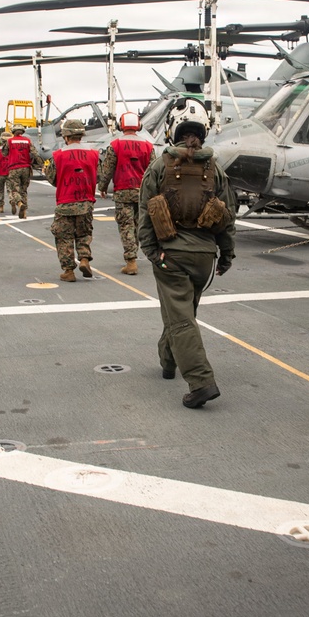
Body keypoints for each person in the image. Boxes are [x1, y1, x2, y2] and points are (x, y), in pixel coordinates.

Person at [138, 99, 237, 409]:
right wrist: (227, 254)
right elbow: (227, 215)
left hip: (173, 255)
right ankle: (168, 362)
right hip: (204, 257)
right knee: (182, 313)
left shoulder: (159, 166)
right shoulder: (216, 169)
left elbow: (144, 213)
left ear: (173, 130)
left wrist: (153, 252)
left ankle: (200, 381)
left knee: (180, 318)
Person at [98, 112, 155, 275]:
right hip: (142, 191)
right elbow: (154, 170)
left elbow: (107, 169)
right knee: (138, 224)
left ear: (120, 126)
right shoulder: (148, 146)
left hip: (123, 191)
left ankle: (131, 260)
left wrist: (102, 186)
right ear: (139, 126)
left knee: (126, 225)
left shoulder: (115, 145)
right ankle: (133, 252)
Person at [43, 119, 100, 282]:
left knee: (64, 236)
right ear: (81, 135)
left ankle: (68, 271)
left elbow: (54, 180)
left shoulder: (58, 155)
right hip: (86, 201)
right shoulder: (93, 153)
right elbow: (98, 175)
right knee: (84, 233)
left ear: (66, 136)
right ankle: (84, 259)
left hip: (66, 201)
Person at [4, 124, 44, 218]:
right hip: (26, 168)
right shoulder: (27, 141)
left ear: (13, 131)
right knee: (24, 190)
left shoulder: (10, 141)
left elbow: (5, 153)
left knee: (14, 190)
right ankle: (24, 213)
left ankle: (19, 204)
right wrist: (41, 164)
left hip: (14, 168)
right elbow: (35, 153)